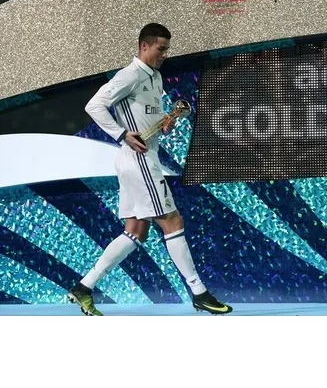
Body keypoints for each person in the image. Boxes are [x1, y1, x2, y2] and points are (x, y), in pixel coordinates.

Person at [67, 23, 232, 316]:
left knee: (135, 231)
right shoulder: (130, 75)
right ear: (144, 46)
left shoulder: (155, 77)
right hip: (139, 161)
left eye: (167, 50)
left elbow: (146, 119)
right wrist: (121, 134)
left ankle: (83, 287)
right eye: (160, 49)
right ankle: (199, 293)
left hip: (138, 159)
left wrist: (165, 124)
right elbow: (94, 106)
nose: (165, 55)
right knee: (172, 221)